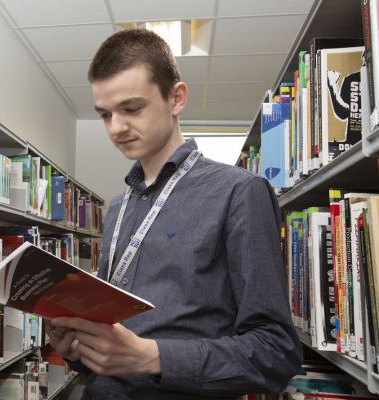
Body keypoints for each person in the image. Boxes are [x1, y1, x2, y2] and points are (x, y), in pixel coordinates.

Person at [46, 28, 302, 400]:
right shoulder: (118, 208)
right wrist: (80, 350)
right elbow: (112, 337)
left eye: (132, 108)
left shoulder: (239, 192)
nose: (116, 127)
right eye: (105, 114)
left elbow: (276, 352)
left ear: (176, 98)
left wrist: (152, 357)